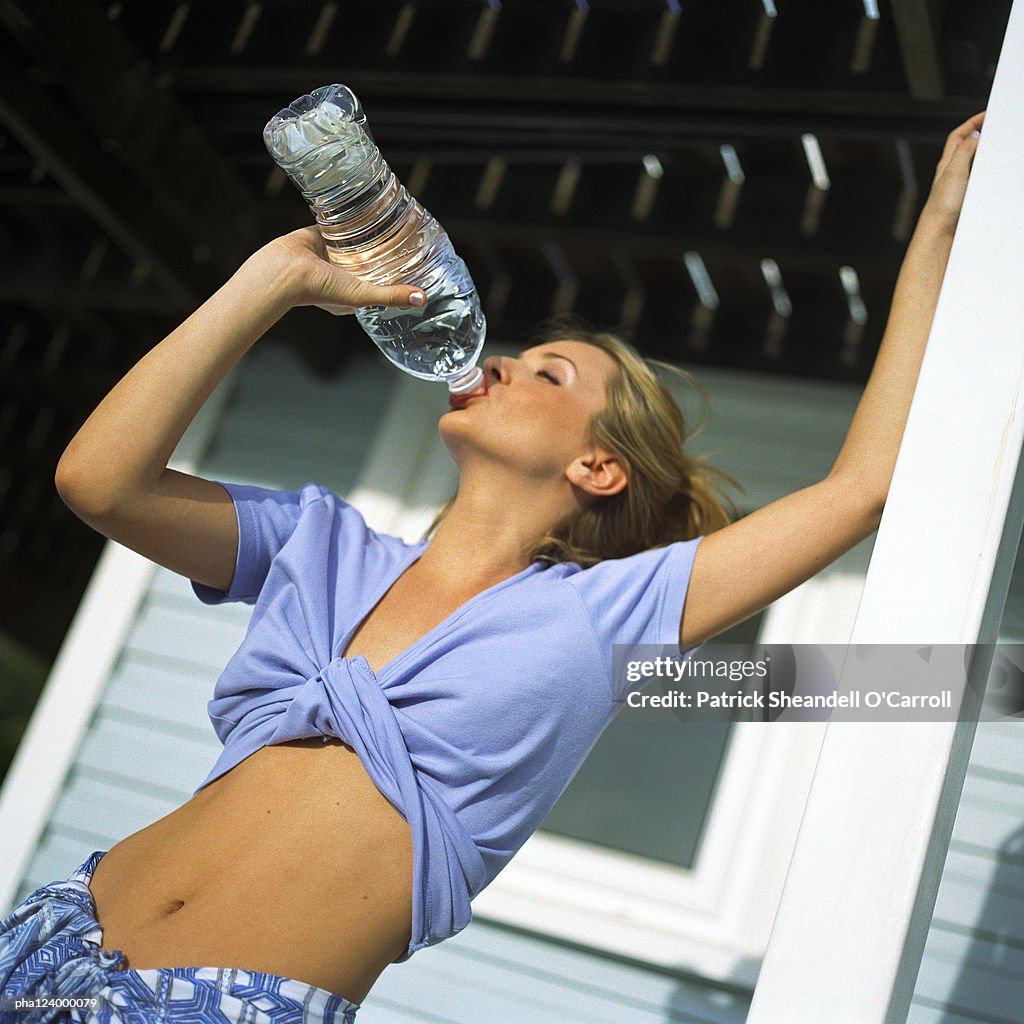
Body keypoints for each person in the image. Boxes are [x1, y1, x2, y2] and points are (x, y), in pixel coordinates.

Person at [0, 112, 983, 1024]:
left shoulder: (603, 618)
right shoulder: (321, 544)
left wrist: (938, 224)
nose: (504, 363)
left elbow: (860, 487)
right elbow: (102, 481)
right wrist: (272, 280)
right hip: (58, 932)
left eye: (549, 372)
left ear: (596, 466)